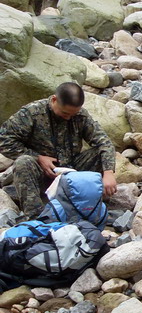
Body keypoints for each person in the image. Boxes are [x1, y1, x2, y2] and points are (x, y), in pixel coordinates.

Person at [0, 82, 117, 219]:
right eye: (65, 113)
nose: (69, 117)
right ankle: (36, 218)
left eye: (73, 114)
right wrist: (38, 157)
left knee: (99, 153)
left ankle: (85, 204)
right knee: (23, 162)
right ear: (54, 100)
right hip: (43, 173)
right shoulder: (32, 113)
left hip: (72, 172)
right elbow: (4, 140)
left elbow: (104, 142)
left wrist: (109, 173)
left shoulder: (80, 115)